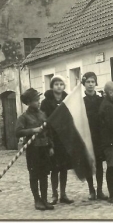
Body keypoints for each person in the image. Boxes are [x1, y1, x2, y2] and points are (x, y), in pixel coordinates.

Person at [15, 88, 54, 211]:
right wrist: (33, 130)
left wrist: (51, 146)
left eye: (38, 100)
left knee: (44, 174)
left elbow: (49, 131)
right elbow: (17, 132)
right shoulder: (24, 117)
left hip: (44, 148)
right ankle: (37, 200)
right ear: (29, 102)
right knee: (34, 174)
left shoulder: (43, 114)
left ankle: (44, 199)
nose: (38, 102)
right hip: (33, 149)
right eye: (36, 100)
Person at [40, 76, 74, 205]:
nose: (59, 86)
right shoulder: (46, 102)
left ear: (64, 86)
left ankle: (63, 194)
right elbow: (44, 120)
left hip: (64, 138)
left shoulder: (68, 100)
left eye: (61, 84)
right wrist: (49, 142)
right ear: (52, 87)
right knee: (55, 167)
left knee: (64, 167)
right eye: (56, 84)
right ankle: (54, 194)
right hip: (52, 138)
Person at [82, 72, 107, 200]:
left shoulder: (101, 100)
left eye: (93, 82)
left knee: (99, 164)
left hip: (99, 136)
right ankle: (91, 190)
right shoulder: (81, 102)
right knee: (88, 164)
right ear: (84, 84)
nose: (91, 84)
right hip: (86, 135)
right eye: (88, 82)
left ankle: (100, 190)